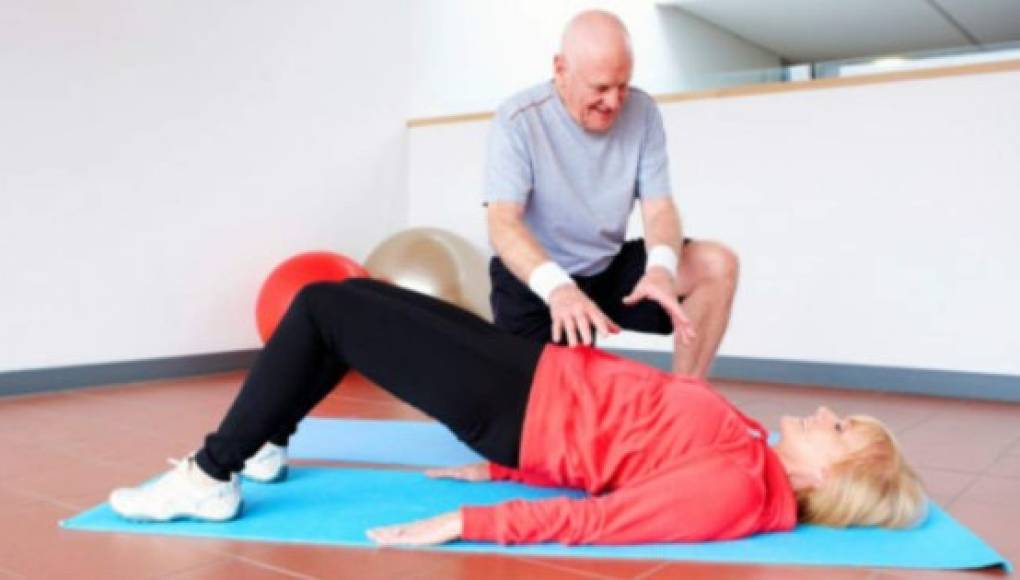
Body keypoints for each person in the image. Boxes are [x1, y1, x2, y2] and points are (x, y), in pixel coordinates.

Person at [109, 279, 926, 545]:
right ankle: (265, 444)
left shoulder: (743, 493)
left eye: (842, 427)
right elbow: (625, 453)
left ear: (831, 471)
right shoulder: (751, 449)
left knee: (326, 308)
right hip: (535, 378)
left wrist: (470, 516)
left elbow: (608, 519)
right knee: (346, 305)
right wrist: (500, 466)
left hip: (517, 402)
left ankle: (212, 475)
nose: (826, 413)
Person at [486, 10, 738, 378]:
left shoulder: (643, 111)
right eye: (601, 88)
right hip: (538, 281)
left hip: (606, 269)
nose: (615, 101)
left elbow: (659, 209)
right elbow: (502, 223)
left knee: (716, 264)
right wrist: (559, 289)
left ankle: (687, 399)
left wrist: (661, 270)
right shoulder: (518, 120)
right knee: (540, 419)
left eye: (623, 85)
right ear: (561, 69)